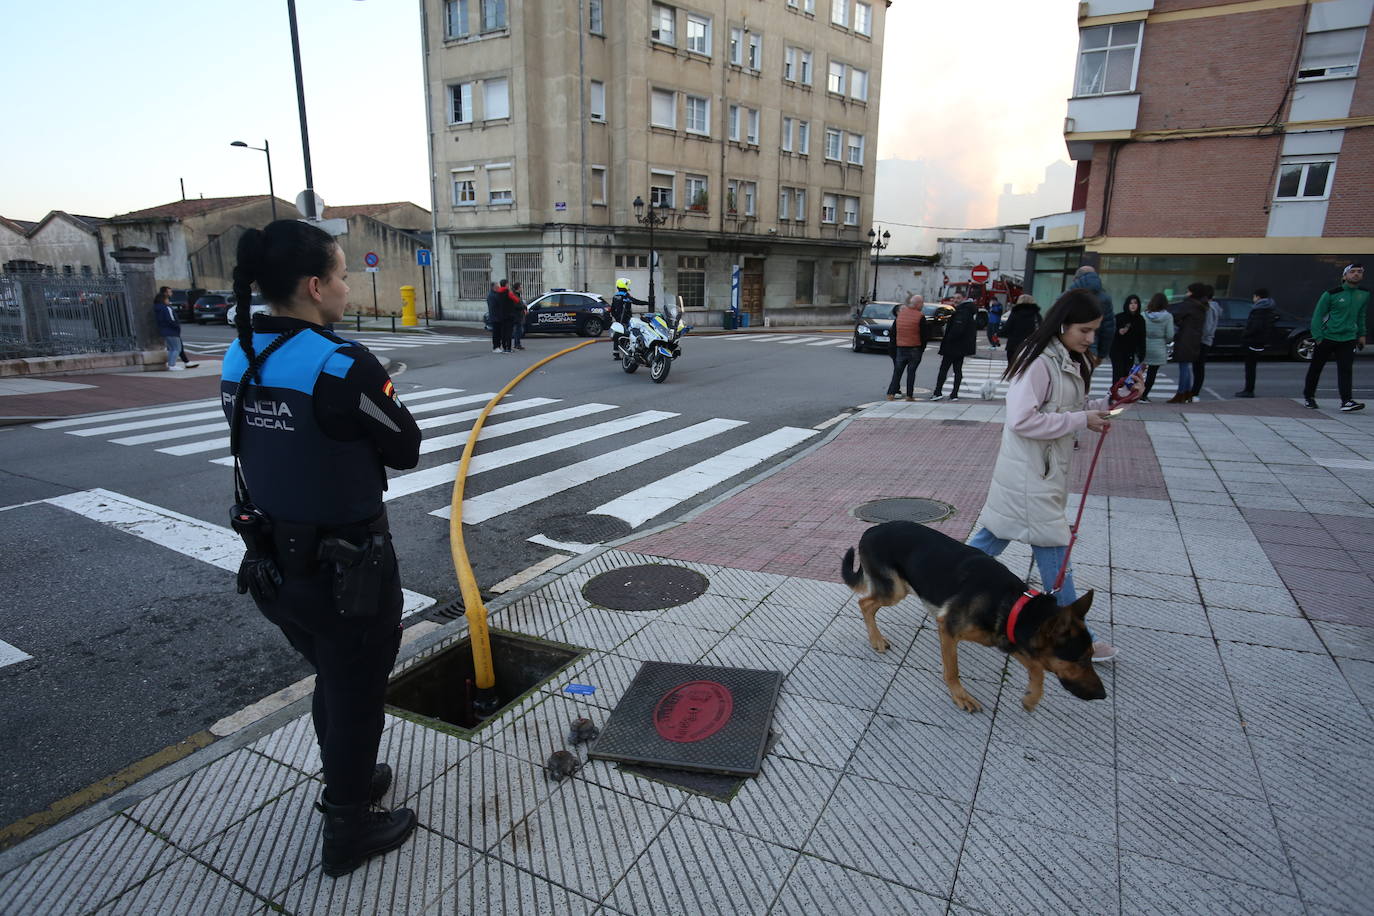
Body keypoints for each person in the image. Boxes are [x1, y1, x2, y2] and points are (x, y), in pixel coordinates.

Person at [223, 219, 421, 877]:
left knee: (333, 677)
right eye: (341, 274)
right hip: (349, 574)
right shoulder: (340, 365)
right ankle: (347, 829)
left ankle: (351, 781)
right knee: (358, 695)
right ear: (315, 286)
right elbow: (406, 447)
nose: (346, 285)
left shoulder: (240, 353)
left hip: (276, 570)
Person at [970, 287, 1125, 663]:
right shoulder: (1039, 360)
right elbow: (1021, 419)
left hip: (1041, 471)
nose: (1090, 339)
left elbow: (1069, 407)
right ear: (1063, 324)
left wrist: (1111, 402)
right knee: (1055, 549)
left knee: (986, 543)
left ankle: (934, 578)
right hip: (1030, 475)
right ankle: (1076, 637)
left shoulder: (1065, 358)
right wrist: (1079, 419)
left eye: (1094, 331)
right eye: (1084, 331)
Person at [1303, 263, 1368, 411]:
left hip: (1348, 338)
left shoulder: (1364, 294)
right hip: (1327, 337)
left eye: (1359, 272)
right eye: (1352, 272)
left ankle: (1346, 401)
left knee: (1346, 369)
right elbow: (1318, 316)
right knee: (1316, 368)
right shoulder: (1331, 294)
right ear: (1345, 276)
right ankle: (1309, 397)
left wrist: (1362, 334)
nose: (1356, 274)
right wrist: (1318, 336)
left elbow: (1361, 315)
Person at [1167, 283, 1208, 403]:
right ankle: (1187, 392)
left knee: (1183, 366)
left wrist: (1179, 323)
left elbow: (1176, 315)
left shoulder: (1189, 305)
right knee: (1185, 365)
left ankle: (1181, 393)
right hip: (1194, 338)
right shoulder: (1202, 306)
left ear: (1193, 293)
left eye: (1188, 291)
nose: (1187, 293)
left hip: (1186, 338)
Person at [931, 298, 978, 401]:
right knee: (957, 370)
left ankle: (938, 392)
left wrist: (947, 341)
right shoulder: (969, 312)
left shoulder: (961, 313)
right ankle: (954, 393)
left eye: (957, 299)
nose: (954, 301)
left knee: (944, 369)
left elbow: (957, 330)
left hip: (953, 347)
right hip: (961, 347)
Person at [1234, 288, 1277, 398]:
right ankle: (1249, 389)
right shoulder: (1268, 308)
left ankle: (1248, 390)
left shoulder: (1259, 309)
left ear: (1257, 297)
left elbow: (1255, 326)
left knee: (1250, 367)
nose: (1253, 299)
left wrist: (1245, 335)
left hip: (1253, 341)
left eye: (1254, 297)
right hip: (1260, 341)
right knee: (1251, 366)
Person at [1068, 265, 1114, 362]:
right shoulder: (1105, 298)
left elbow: (1055, 322)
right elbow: (1108, 330)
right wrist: (1102, 354)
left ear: (1076, 278)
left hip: (1066, 346)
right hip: (1091, 347)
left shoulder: (1067, 295)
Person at [886, 294, 925, 401]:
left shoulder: (900, 315)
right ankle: (909, 395)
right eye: (922, 303)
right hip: (914, 348)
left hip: (901, 348)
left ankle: (891, 393)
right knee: (911, 373)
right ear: (917, 304)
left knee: (897, 372)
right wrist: (922, 348)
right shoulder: (920, 316)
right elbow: (924, 335)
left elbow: (894, 332)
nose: (923, 305)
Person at [1140, 292, 1175, 403]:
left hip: (1144, 346)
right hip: (1158, 347)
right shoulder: (1168, 317)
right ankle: (1144, 395)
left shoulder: (1143, 315)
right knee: (1152, 373)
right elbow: (1170, 335)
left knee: (1138, 371)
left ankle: (1133, 393)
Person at [154, 286, 200, 369]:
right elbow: (171, 320)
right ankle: (172, 365)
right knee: (176, 348)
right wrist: (176, 327)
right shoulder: (166, 308)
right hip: (172, 331)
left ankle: (176, 363)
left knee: (173, 348)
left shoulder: (158, 308)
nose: (170, 298)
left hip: (165, 331)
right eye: (169, 293)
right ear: (164, 298)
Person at [1189, 284, 1222, 399]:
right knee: (1198, 367)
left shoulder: (1209, 308)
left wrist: (1197, 336)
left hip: (1203, 341)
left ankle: (1195, 391)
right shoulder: (1214, 307)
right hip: (1205, 340)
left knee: (1198, 367)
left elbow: (1207, 328)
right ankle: (1194, 390)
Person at [1109, 293, 1146, 386]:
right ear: (1127, 305)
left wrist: (1142, 353)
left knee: (1127, 373)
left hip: (1130, 351)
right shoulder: (1119, 317)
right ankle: (1114, 393)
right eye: (1131, 303)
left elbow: (1142, 337)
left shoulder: (1140, 319)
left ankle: (1122, 394)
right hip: (1117, 350)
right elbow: (1110, 332)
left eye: (1135, 303)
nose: (1133, 305)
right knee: (1117, 373)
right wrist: (1119, 332)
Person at [610, 277, 648, 359]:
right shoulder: (626, 296)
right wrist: (647, 303)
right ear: (624, 285)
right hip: (626, 319)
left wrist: (616, 317)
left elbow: (612, 309)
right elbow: (636, 301)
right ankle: (627, 351)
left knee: (618, 334)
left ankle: (616, 352)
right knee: (629, 334)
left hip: (618, 319)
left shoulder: (615, 296)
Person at [1000, 294, 1041, 364]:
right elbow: (1041, 330)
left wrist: (999, 333)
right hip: (1029, 346)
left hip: (1013, 346)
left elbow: (1006, 329)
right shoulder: (1036, 315)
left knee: (1012, 368)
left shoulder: (1014, 313)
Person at [489, 278, 514, 353]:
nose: (498, 288)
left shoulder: (496, 294)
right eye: (497, 287)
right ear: (493, 288)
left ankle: (499, 346)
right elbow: (494, 307)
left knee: (499, 333)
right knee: (496, 333)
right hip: (495, 317)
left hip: (499, 317)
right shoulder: (492, 295)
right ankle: (495, 347)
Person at [507, 281, 526, 351]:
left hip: (519, 315)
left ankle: (518, 344)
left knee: (519, 330)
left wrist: (524, 306)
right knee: (518, 330)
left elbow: (519, 303)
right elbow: (516, 305)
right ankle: (517, 344)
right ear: (518, 288)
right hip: (516, 316)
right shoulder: (514, 295)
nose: (522, 288)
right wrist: (523, 306)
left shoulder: (517, 294)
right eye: (521, 287)